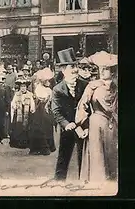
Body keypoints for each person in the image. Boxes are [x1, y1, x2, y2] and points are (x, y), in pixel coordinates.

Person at [75, 51, 118, 182]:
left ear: (112, 71)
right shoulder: (92, 86)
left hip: (112, 123)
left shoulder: (116, 87)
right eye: (101, 69)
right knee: (96, 153)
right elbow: (82, 105)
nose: (103, 71)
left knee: (111, 152)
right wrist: (81, 124)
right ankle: (96, 180)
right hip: (95, 123)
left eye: (106, 69)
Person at [51, 48, 89, 181]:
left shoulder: (85, 85)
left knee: (84, 158)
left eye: (76, 66)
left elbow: (89, 107)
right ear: (63, 70)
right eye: (71, 66)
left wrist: (85, 124)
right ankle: (58, 184)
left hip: (83, 128)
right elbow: (56, 111)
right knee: (63, 157)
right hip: (68, 128)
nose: (75, 70)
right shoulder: (57, 89)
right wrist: (66, 124)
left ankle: (84, 184)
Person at [29, 67, 57, 155]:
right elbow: (37, 98)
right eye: (46, 80)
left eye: (48, 80)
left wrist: (48, 102)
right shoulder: (38, 88)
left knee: (47, 127)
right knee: (38, 127)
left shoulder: (49, 90)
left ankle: (48, 146)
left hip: (46, 109)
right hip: (39, 109)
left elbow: (51, 100)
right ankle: (39, 147)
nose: (48, 82)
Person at [9, 78, 35, 149]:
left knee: (26, 127)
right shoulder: (17, 94)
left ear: (26, 87)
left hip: (27, 112)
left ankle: (26, 143)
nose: (23, 88)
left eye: (24, 86)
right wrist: (14, 106)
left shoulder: (30, 94)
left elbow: (32, 103)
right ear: (19, 87)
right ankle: (18, 143)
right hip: (19, 112)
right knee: (18, 126)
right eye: (21, 87)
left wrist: (32, 108)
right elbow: (13, 102)